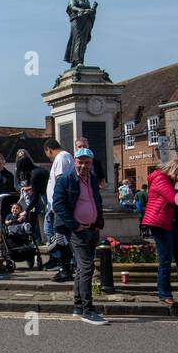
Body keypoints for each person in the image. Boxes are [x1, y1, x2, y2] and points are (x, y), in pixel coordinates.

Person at [51, 147, 109, 324]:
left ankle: (78, 307)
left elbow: (95, 200)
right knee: (86, 267)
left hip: (92, 229)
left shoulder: (91, 178)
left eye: (87, 163)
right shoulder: (65, 180)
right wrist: (75, 226)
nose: (84, 166)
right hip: (78, 231)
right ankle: (87, 310)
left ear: (91, 164)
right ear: (75, 161)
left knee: (81, 269)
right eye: (81, 162)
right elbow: (58, 205)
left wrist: (98, 223)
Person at [141, 156, 178, 309]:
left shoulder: (171, 181)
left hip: (173, 223)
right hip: (160, 223)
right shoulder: (160, 179)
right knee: (165, 260)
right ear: (175, 171)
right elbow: (175, 200)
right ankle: (165, 294)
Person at [43, 138, 74, 280]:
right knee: (63, 238)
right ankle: (66, 267)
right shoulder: (65, 157)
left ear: (48, 149)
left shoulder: (61, 158)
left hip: (61, 206)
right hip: (59, 205)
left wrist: (57, 205)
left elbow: (61, 182)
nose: (48, 157)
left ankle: (66, 269)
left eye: (47, 154)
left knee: (62, 237)